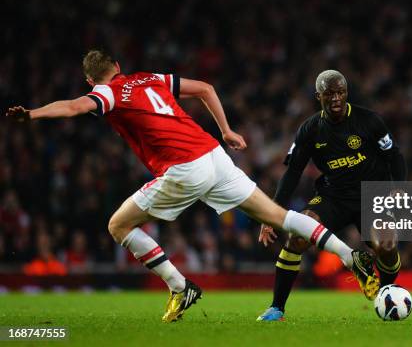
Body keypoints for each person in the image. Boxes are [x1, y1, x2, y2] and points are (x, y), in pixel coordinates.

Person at [5, 50, 379, 322]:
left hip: (184, 167)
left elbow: (72, 108)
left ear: (92, 79)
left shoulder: (107, 92)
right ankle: (353, 258)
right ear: (118, 66)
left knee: (118, 225)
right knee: (280, 216)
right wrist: (227, 130)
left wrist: (33, 114)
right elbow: (205, 88)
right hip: (214, 154)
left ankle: (180, 287)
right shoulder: (150, 78)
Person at [257, 70, 405, 321]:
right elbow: (292, 173)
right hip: (333, 195)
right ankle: (276, 308)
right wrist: (272, 212)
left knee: (387, 246)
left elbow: (395, 156)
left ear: (346, 93)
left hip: (372, 195)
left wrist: (399, 188)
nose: (336, 98)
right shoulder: (310, 129)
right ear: (318, 96)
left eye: (340, 92)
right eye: (329, 94)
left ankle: (384, 294)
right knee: (297, 237)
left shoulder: (369, 121)